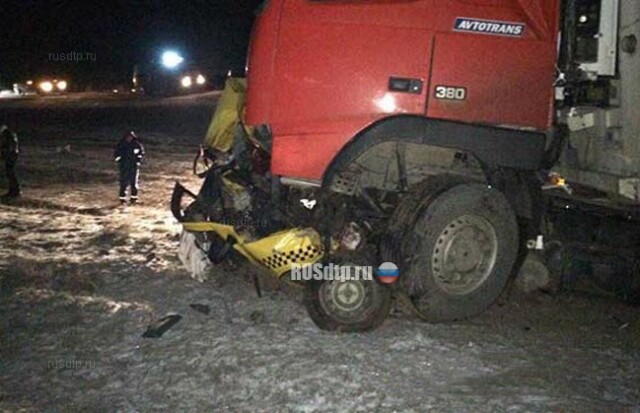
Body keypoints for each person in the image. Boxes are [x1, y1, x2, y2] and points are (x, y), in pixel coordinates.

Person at [114, 131, 145, 205]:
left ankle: (133, 199)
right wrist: (120, 161)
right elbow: (116, 154)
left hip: (133, 167)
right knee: (123, 183)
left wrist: (138, 161)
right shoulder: (121, 144)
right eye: (128, 136)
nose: (129, 138)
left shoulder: (136, 144)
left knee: (133, 183)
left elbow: (141, 153)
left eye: (131, 136)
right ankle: (122, 199)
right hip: (124, 167)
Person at [0, 125, 21, 199]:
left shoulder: (6, 134)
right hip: (13, 154)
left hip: (11, 155)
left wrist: (4, 156)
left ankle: (15, 191)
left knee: (10, 173)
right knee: (10, 173)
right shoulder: (10, 133)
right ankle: (14, 190)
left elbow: (6, 147)